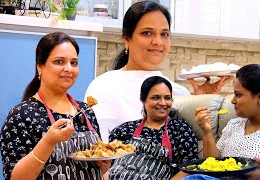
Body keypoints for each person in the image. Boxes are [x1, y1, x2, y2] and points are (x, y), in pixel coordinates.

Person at [85, 1, 233, 141]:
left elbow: (188, 148)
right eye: (147, 33)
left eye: (164, 34)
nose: (158, 41)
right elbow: (96, 146)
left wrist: (202, 101)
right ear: (127, 39)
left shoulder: (179, 92)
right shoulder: (103, 86)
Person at [0, 32, 110, 180]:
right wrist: (49, 141)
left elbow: (100, 170)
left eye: (74, 63)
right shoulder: (21, 115)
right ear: (40, 67)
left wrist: (104, 164)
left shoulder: (85, 111)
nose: (69, 69)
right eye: (59, 62)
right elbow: (16, 178)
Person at [106, 76, 199, 179]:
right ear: (143, 101)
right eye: (156, 97)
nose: (163, 103)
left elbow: (190, 168)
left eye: (167, 98)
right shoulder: (125, 129)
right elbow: (107, 165)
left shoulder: (180, 129)